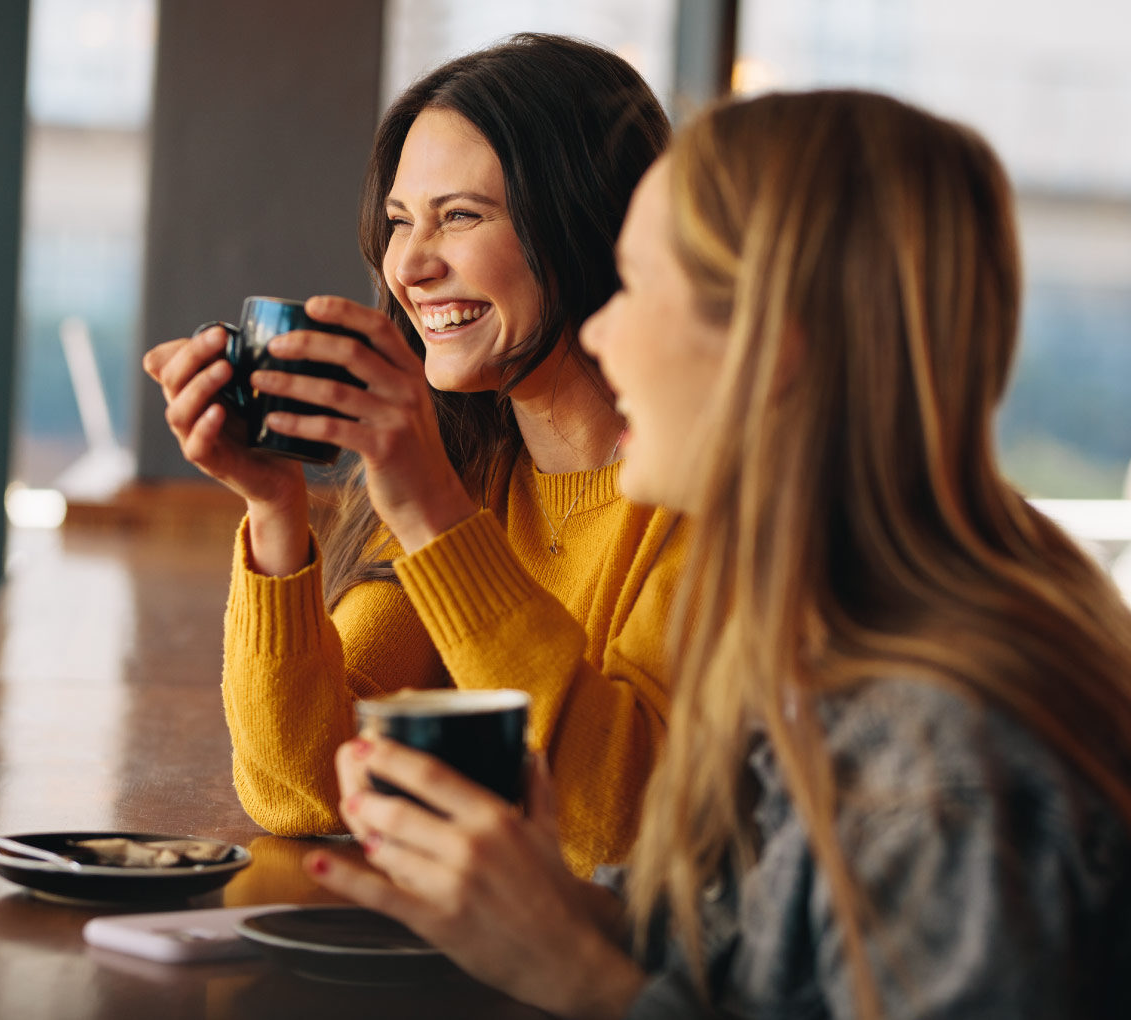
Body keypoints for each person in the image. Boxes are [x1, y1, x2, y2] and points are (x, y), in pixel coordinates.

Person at [308, 89, 1131, 1019]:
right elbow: (755, 954)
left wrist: (573, 974)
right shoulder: (833, 651)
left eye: (638, 289)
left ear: (769, 347)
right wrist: (556, 904)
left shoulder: (941, 762)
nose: (600, 331)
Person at [142, 34, 684, 876]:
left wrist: (431, 508)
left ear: (587, 225)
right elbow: (305, 790)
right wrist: (274, 507)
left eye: (460, 216)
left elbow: (611, 829)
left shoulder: (698, 499)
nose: (410, 266)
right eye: (399, 222)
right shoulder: (471, 474)